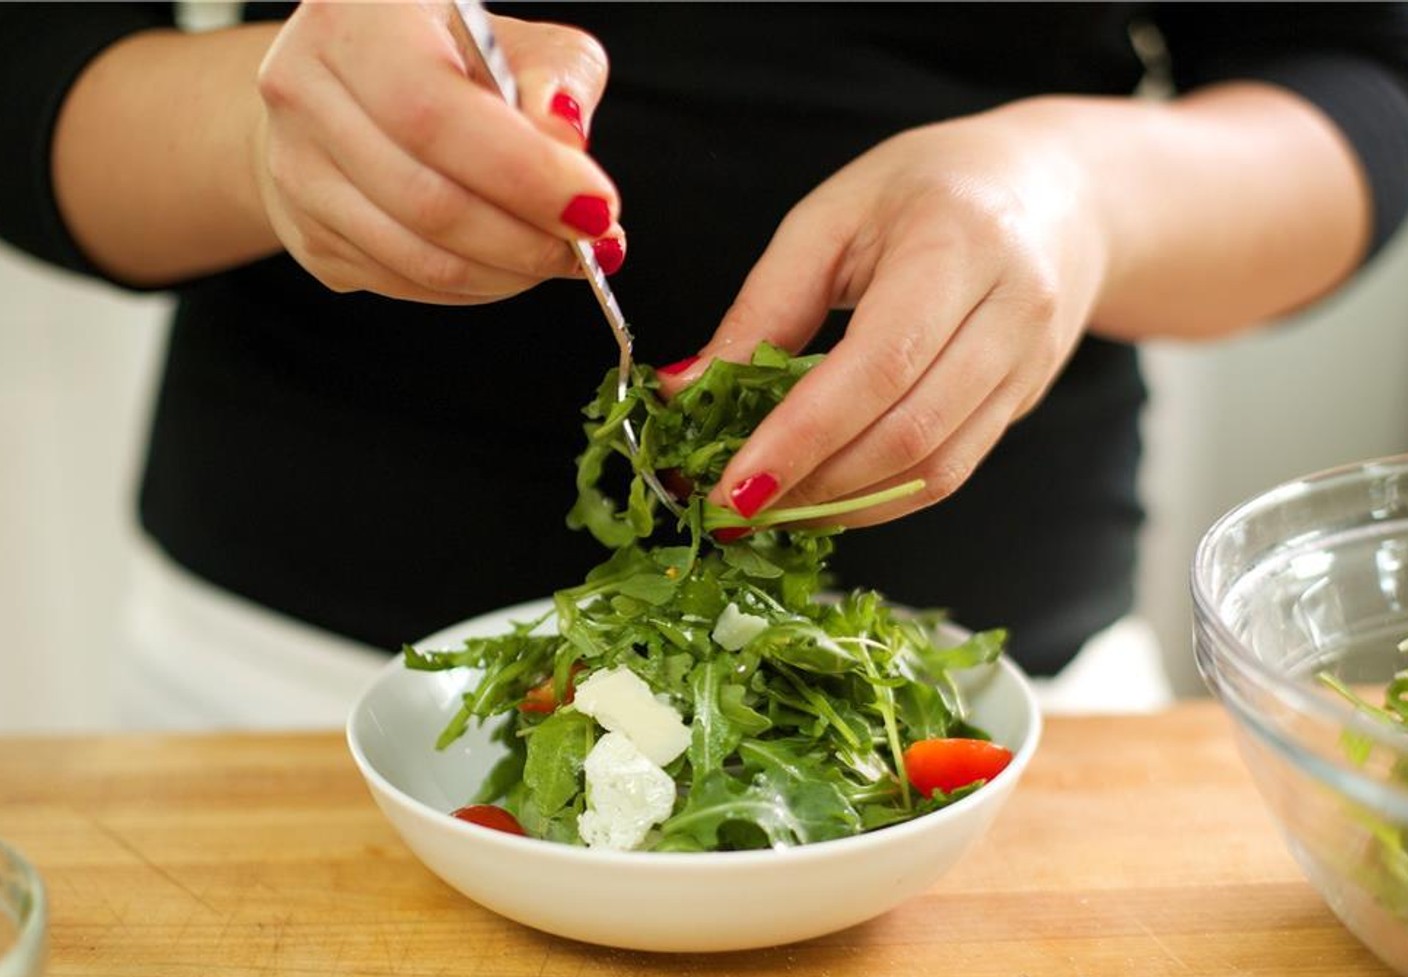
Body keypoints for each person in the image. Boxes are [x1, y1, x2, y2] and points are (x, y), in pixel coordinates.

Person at [2, 2, 1406, 727]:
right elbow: (33, 67)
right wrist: (273, 142)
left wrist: (1080, 201)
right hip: (297, 706)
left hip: (968, 725)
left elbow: (1362, 83)